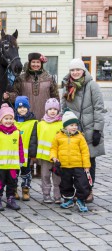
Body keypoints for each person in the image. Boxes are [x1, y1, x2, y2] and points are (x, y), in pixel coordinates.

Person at [61, 58, 105, 203]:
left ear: (83, 70)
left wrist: (97, 130)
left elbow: (99, 108)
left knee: (89, 161)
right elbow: (63, 107)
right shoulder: (67, 85)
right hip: (73, 130)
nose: (75, 72)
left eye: (78, 69)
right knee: (75, 162)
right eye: (72, 70)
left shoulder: (92, 85)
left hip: (90, 129)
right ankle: (78, 191)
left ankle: (88, 191)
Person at [50, 110, 91, 212]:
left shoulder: (80, 137)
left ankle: (81, 199)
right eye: (71, 125)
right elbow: (53, 149)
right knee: (65, 184)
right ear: (65, 126)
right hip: (64, 166)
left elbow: (85, 152)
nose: (74, 127)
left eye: (75, 125)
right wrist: (54, 157)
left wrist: (86, 166)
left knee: (82, 183)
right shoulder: (58, 136)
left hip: (78, 165)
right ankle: (68, 199)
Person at [0, 104, 25, 211]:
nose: (8, 121)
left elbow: (20, 147)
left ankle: (10, 199)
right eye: (6, 118)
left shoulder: (16, 132)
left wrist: (21, 160)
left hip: (13, 165)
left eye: (10, 118)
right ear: (1, 120)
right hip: (0, 165)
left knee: (12, 182)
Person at [4, 52, 59, 120]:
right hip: (26, 117)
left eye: (38, 62)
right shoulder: (21, 78)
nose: (35, 64)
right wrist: (9, 96)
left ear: (41, 64)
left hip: (46, 118)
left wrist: (57, 112)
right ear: (30, 63)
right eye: (33, 62)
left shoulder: (49, 78)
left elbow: (55, 97)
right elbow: (16, 95)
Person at [36, 98, 62, 204]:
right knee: (45, 176)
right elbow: (37, 138)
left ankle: (57, 196)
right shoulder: (41, 124)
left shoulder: (61, 124)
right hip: (44, 156)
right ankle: (46, 194)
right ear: (46, 110)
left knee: (57, 177)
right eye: (50, 109)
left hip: (57, 157)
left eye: (55, 109)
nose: (52, 111)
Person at [14, 96, 37, 201]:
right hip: (13, 154)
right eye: (19, 107)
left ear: (28, 108)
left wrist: (33, 153)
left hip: (26, 154)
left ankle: (25, 189)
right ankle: (13, 189)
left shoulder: (33, 122)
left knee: (26, 172)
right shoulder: (12, 121)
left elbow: (34, 139)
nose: (22, 109)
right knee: (13, 172)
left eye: (24, 107)